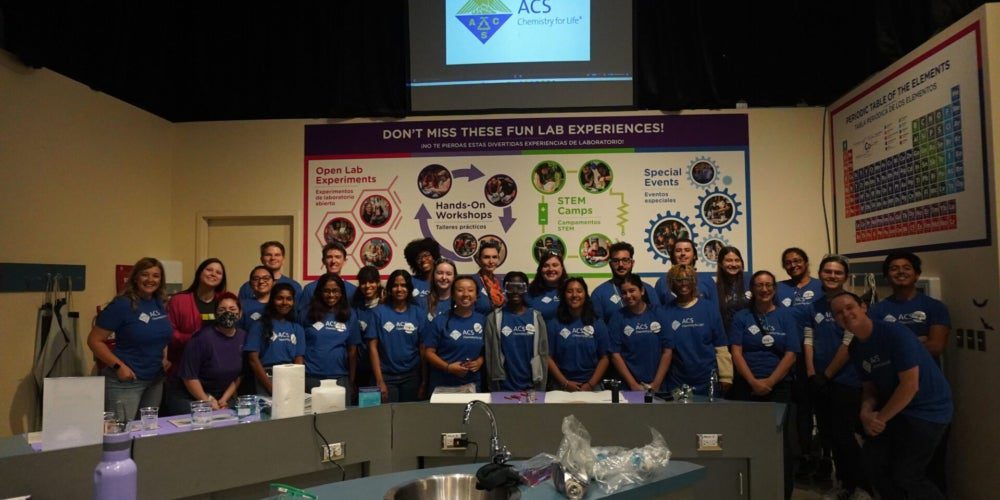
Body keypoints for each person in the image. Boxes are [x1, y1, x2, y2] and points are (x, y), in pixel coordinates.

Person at [832, 292, 952, 500]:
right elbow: (870, 388)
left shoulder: (894, 334)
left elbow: (910, 385)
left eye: (850, 307)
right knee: (874, 464)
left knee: (908, 474)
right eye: (838, 312)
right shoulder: (856, 347)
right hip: (896, 409)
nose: (846, 314)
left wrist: (879, 419)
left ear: (863, 307)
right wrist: (865, 412)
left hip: (927, 411)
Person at [869, 251, 951, 494]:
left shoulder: (934, 308)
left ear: (917, 274)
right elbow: (876, 350)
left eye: (906, 267)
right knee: (889, 466)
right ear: (886, 276)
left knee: (928, 469)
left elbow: (936, 346)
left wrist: (897, 346)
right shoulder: (878, 311)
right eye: (894, 268)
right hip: (891, 397)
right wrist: (917, 340)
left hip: (927, 400)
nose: (900, 272)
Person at [803, 255, 871, 499]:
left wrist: (828, 374)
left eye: (837, 272)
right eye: (827, 271)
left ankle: (861, 486)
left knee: (844, 437)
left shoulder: (852, 304)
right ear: (820, 274)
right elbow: (808, 339)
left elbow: (849, 342)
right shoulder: (815, 305)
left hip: (845, 380)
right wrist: (812, 374)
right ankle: (844, 484)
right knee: (829, 436)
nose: (832, 276)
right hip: (819, 380)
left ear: (845, 277)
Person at [729, 271, 800, 499]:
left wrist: (769, 382)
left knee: (781, 444)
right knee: (747, 438)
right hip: (746, 386)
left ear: (775, 289)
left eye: (769, 285)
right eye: (759, 285)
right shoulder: (741, 317)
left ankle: (782, 493)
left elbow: (791, 354)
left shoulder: (786, 316)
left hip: (778, 387)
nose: (764, 289)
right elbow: (736, 352)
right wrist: (752, 381)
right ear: (752, 289)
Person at [87, 257, 172, 420]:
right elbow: (94, 341)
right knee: (121, 435)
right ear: (135, 277)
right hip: (127, 382)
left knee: (146, 432)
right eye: (145, 275)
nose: (150, 280)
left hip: (155, 380)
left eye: (156, 276)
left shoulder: (159, 303)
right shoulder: (122, 305)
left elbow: (162, 334)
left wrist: (164, 357)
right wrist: (119, 367)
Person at [164, 292, 246, 416]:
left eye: (232, 309)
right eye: (222, 309)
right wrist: (207, 401)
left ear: (240, 314)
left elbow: (239, 375)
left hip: (222, 397)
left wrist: (224, 400)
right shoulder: (201, 338)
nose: (227, 313)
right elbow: (189, 376)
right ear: (215, 314)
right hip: (190, 397)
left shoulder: (243, 337)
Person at [659, 264, 731, 396]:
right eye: (678, 280)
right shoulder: (664, 312)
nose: (683, 284)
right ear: (671, 284)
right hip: (677, 381)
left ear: (694, 281)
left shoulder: (709, 308)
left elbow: (720, 345)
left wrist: (726, 376)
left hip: (707, 380)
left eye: (688, 279)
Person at [366, 270, 428, 402]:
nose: (399, 289)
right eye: (395, 285)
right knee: (386, 419)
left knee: (409, 419)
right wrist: (379, 380)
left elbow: (423, 349)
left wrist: (424, 381)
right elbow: (372, 348)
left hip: (412, 377)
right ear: (389, 288)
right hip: (385, 377)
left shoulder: (419, 313)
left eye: (404, 285)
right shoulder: (378, 312)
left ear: (409, 288)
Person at [484, 272, 549, 391]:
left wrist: (541, 388)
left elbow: (543, 354)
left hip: (532, 386)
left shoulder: (536, 318)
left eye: (520, 287)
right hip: (502, 387)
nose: (515, 291)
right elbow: (490, 356)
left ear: (526, 289)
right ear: (504, 289)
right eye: (510, 287)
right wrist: (493, 387)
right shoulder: (493, 318)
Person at [424, 275, 487, 393]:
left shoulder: (483, 320)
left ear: (476, 296)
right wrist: (448, 367)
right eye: (460, 290)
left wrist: (480, 361)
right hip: (442, 384)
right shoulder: (440, 320)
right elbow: (428, 353)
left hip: (471, 384)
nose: (465, 294)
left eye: (470, 290)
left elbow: (487, 350)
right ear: (453, 294)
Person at [608, 274, 671, 392]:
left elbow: (667, 351)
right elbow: (615, 354)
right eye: (624, 292)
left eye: (632, 290)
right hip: (629, 387)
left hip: (658, 385)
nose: (628, 296)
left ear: (642, 291)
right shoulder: (617, 317)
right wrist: (633, 385)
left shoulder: (658, 313)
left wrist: (656, 384)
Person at [546, 277, 610, 391]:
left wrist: (590, 384)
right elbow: (548, 357)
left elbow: (605, 358)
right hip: (561, 385)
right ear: (563, 295)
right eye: (569, 291)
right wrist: (565, 383)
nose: (574, 295)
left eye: (579, 291)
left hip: (592, 384)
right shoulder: (554, 324)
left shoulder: (597, 323)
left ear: (585, 295)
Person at [303, 273, 362, 395]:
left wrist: (351, 380)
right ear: (319, 292)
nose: (331, 295)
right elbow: (299, 349)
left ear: (342, 293)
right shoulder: (307, 313)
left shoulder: (350, 315)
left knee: (340, 414)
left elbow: (352, 351)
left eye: (335, 291)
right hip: (311, 377)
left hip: (340, 377)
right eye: (326, 291)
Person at [166, 258, 227, 375]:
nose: (213, 274)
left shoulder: (225, 301)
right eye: (209, 270)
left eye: (218, 272)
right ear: (200, 273)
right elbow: (169, 332)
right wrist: (196, 340)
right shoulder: (178, 300)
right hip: (183, 365)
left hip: (215, 367)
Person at [244, 283, 305, 395]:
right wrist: (270, 387)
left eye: (289, 299)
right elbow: (253, 359)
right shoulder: (259, 325)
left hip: (290, 378)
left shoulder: (297, 328)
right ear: (272, 300)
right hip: (265, 378)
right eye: (279, 298)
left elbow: (299, 359)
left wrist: (294, 383)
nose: (284, 303)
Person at [591, 242, 661, 322]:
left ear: (632, 263)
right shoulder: (599, 294)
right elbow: (597, 329)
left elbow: (659, 320)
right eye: (616, 261)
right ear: (610, 264)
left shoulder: (648, 289)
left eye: (625, 260)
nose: (621, 264)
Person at [238, 265, 273, 395]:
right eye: (256, 278)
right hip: (249, 363)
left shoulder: (280, 304)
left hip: (273, 363)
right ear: (250, 283)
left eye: (266, 278)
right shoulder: (242, 305)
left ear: (273, 281)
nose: (261, 281)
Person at [299, 241, 356, 319]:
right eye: (329, 257)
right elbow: (302, 319)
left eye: (337, 257)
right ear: (323, 261)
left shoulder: (353, 290)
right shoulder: (309, 289)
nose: (333, 261)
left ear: (344, 261)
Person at [654, 238, 718, 305]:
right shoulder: (662, 282)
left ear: (694, 255)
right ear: (672, 256)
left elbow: (715, 310)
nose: (683, 253)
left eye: (687, 250)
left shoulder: (707, 280)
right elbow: (657, 312)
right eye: (678, 251)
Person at [351, 265, 383, 391]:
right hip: (361, 366)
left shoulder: (386, 306)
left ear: (378, 283)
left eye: (371, 282)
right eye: (363, 283)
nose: (368, 286)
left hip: (383, 367)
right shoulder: (356, 308)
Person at [715, 246, 751, 336]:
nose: (734, 264)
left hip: (751, 335)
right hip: (728, 337)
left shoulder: (751, 281)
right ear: (720, 263)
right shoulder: (715, 288)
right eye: (729, 260)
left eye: (737, 260)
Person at [526, 251, 568, 321]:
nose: (551, 269)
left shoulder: (571, 289)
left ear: (562, 268)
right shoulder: (529, 291)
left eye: (555, 265)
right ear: (540, 269)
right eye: (546, 266)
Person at [471, 241, 505, 314]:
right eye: (486, 257)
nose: (491, 261)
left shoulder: (501, 283)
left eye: (494, 257)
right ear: (479, 260)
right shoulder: (472, 282)